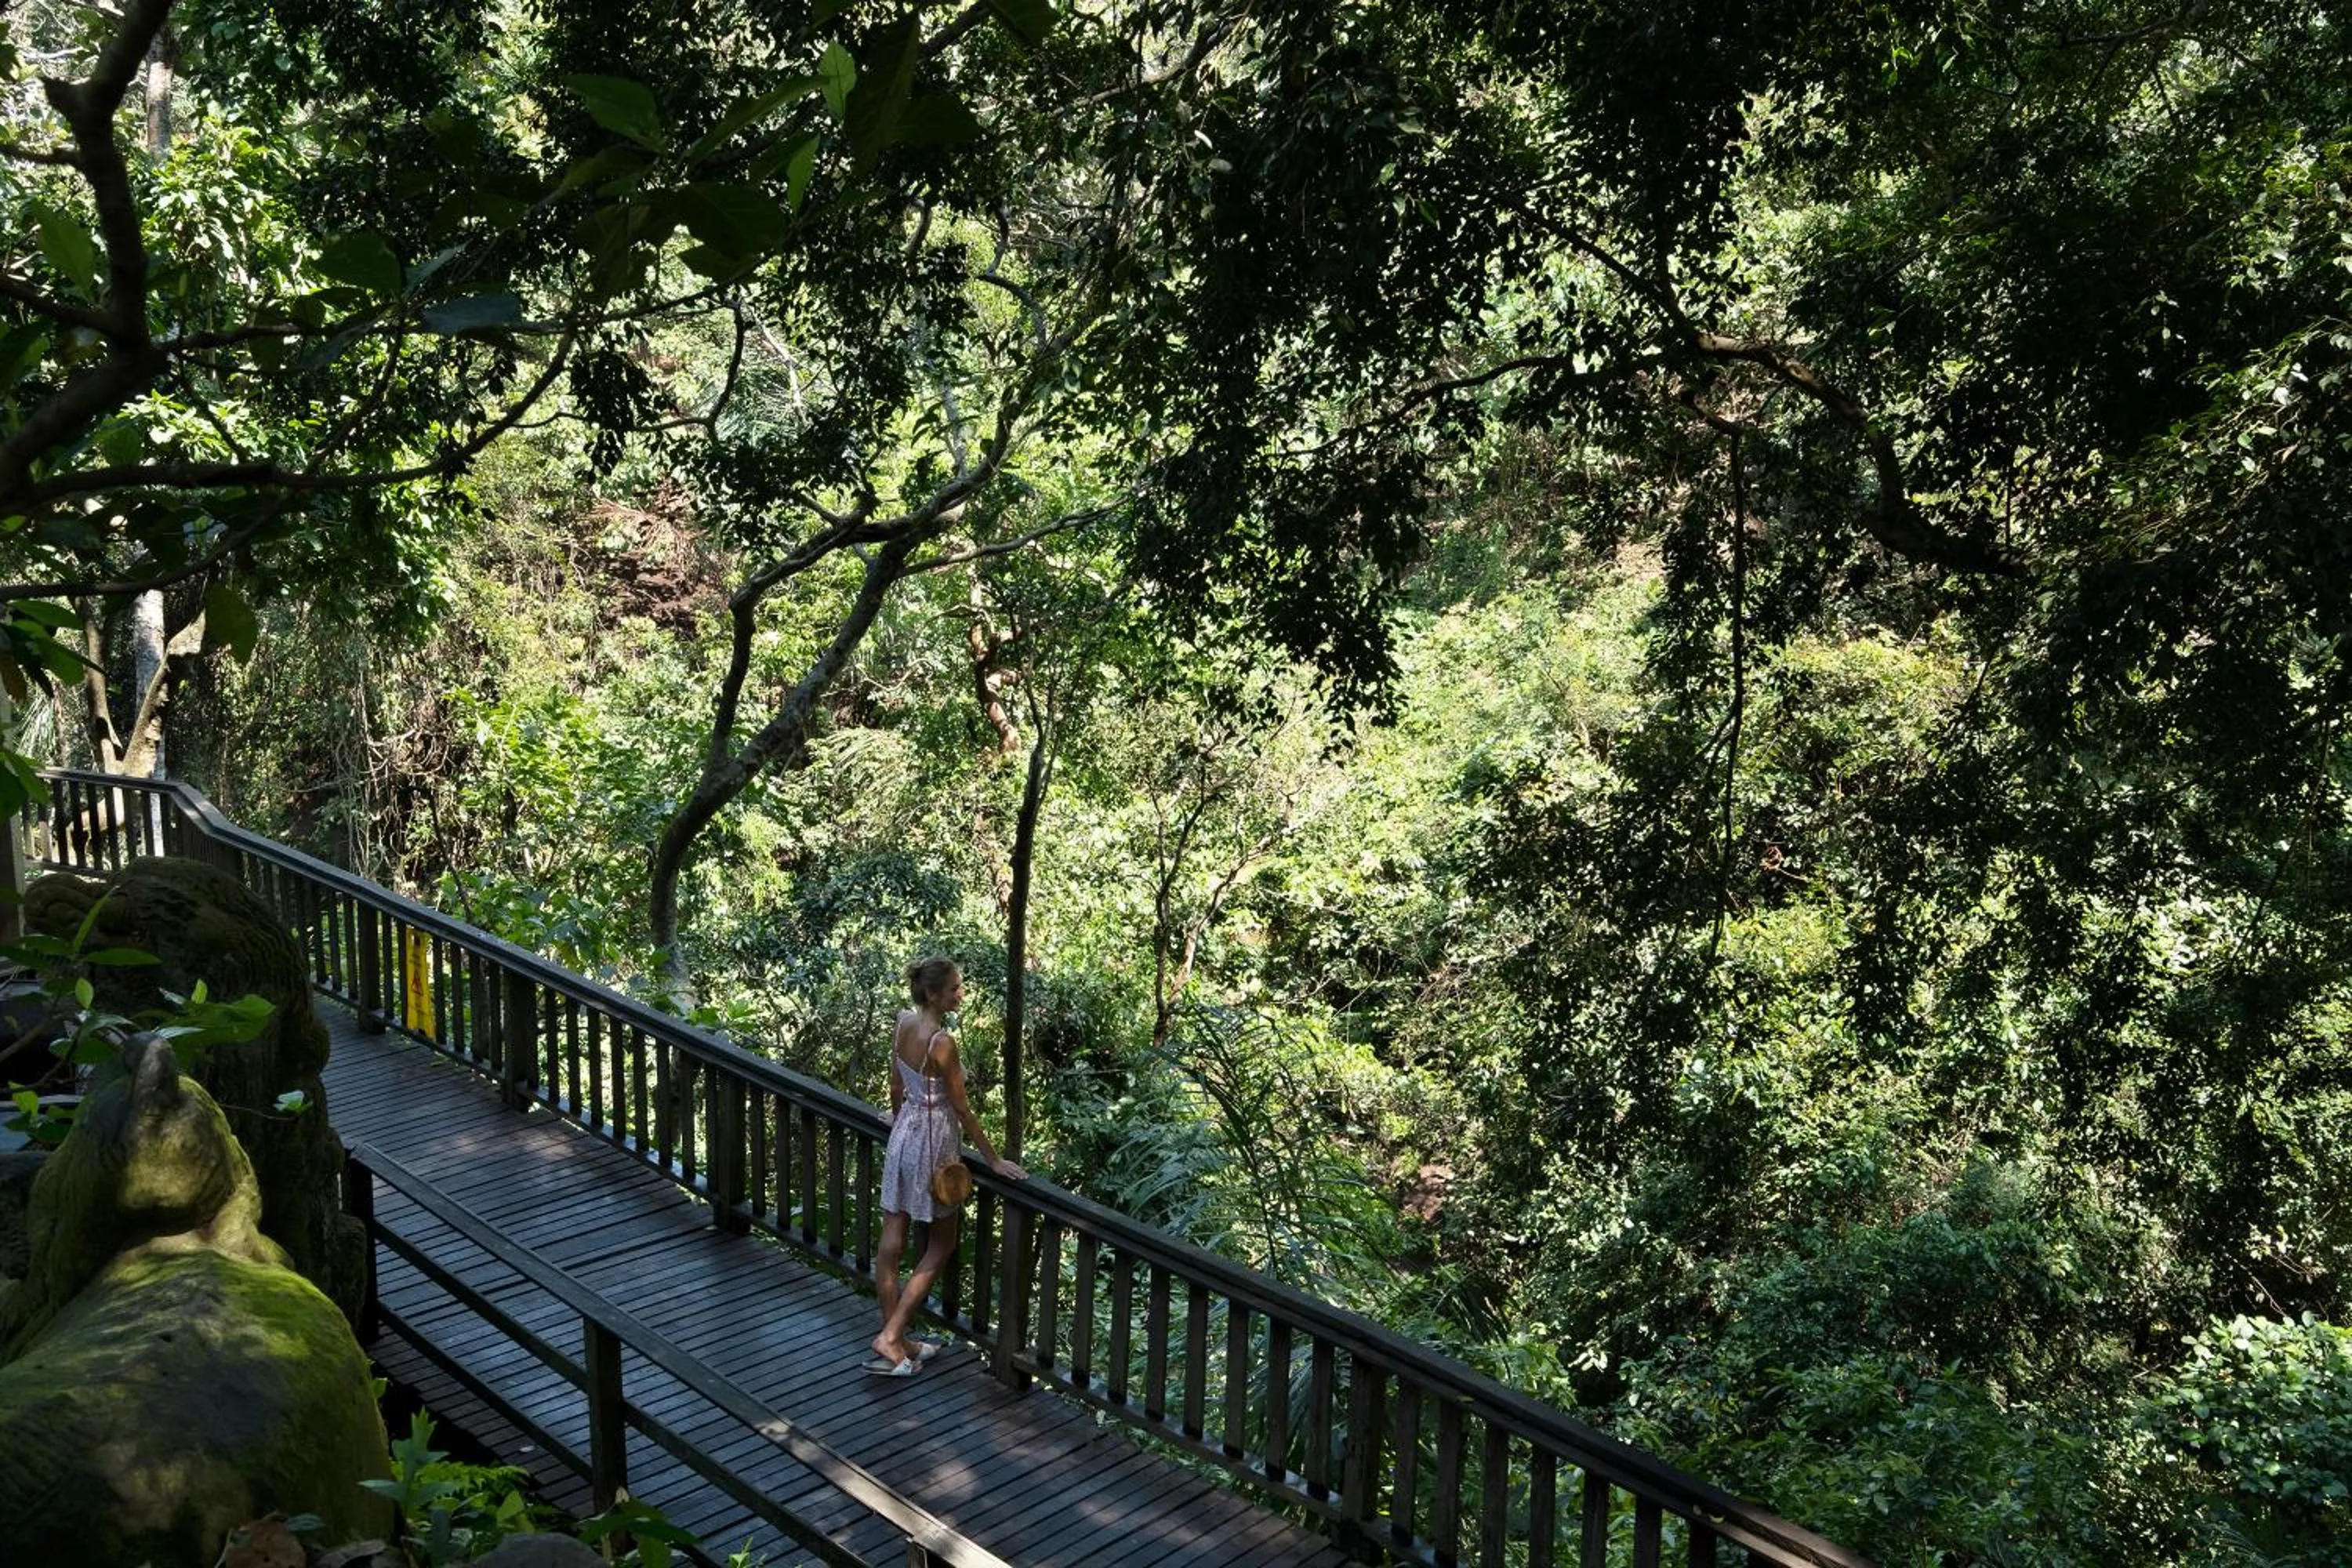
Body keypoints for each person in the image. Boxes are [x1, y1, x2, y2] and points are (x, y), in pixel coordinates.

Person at [869, 955, 1024, 1375]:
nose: (961, 994)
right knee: (941, 1245)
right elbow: (962, 1109)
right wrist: (992, 1159)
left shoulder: (903, 1021)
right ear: (934, 995)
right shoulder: (941, 1042)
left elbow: (897, 1082)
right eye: (954, 988)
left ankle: (898, 1341)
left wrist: (895, 1114)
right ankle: (890, 1336)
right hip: (934, 1144)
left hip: (903, 1136)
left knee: (893, 1236)